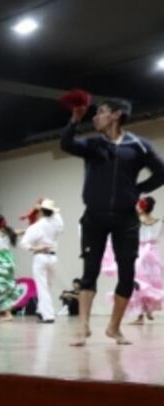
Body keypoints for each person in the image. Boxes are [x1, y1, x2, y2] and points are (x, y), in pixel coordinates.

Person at [60, 98, 164, 345]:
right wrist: (75, 119)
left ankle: (114, 328)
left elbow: (162, 172)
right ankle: (83, 327)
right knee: (90, 271)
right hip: (94, 216)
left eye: (101, 112)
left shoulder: (138, 145)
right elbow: (66, 144)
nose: (95, 117)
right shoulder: (93, 144)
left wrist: (137, 190)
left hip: (125, 218)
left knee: (127, 274)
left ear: (116, 115)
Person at [20, 199, 63, 323]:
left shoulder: (37, 226)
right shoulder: (58, 222)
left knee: (42, 287)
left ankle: (48, 315)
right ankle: (40, 310)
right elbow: (56, 215)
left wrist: (36, 247)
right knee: (47, 286)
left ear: (41, 211)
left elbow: (24, 243)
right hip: (53, 257)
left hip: (40, 257)